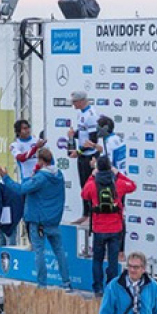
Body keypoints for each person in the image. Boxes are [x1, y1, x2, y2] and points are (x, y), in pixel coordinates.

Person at [0, 148, 71, 290]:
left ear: (41, 161)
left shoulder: (40, 178)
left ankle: (42, 286)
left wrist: (6, 178)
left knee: (39, 252)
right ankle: (66, 283)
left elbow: (20, 189)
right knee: (59, 251)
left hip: (39, 223)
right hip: (54, 221)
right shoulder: (59, 175)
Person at [80, 155, 137, 296]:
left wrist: (92, 176)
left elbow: (83, 194)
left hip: (99, 229)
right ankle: (111, 289)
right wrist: (118, 173)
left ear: (97, 168)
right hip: (115, 228)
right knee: (112, 261)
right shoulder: (118, 183)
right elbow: (133, 186)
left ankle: (97, 289)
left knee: (97, 260)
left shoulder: (93, 184)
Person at [66, 91, 99, 220]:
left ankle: (92, 215)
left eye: (74, 102)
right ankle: (86, 214)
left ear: (81, 101)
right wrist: (73, 135)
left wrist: (78, 151)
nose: (73, 105)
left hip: (90, 156)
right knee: (83, 186)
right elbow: (82, 132)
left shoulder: (91, 116)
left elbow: (93, 140)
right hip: (82, 155)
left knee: (91, 186)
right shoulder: (80, 113)